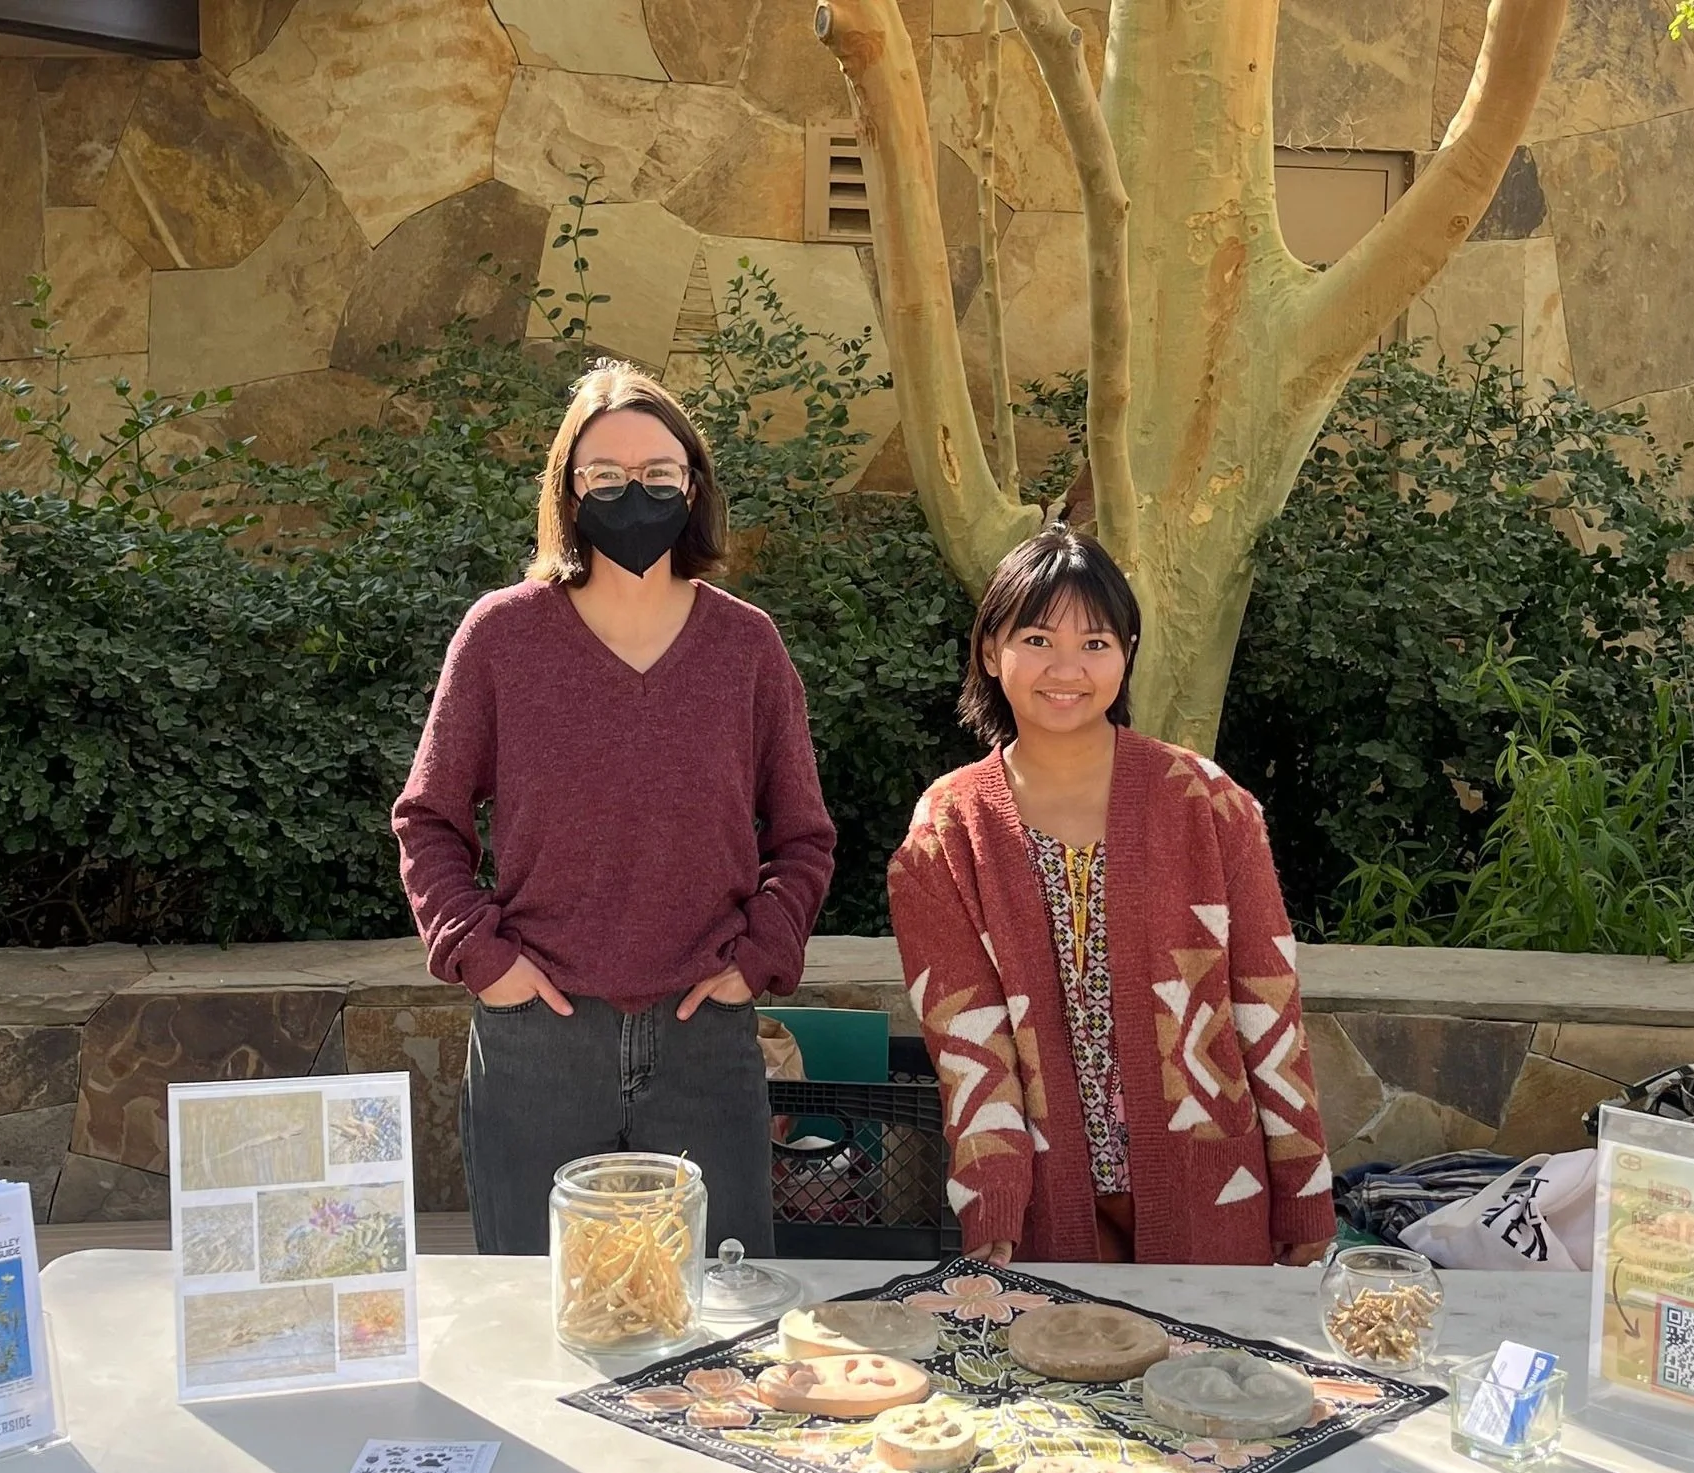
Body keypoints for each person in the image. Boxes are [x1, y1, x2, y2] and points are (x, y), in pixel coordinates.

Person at [394, 361, 836, 1259]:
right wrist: (484, 958)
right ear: (568, 490)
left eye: (659, 473)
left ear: (693, 487)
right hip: (539, 1046)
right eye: (605, 474)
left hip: (703, 1042)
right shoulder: (501, 637)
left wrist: (758, 957)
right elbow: (428, 820)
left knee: (722, 1309)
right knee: (534, 1309)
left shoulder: (746, 647)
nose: (635, 493)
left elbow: (803, 838)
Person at [888, 524, 1338, 1272]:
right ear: (991, 651)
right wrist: (991, 1197)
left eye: (1095, 643)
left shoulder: (1209, 804)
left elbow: (1268, 1010)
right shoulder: (947, 830)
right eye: (1037, 639)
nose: (1066, 668)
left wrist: (1304, 1192)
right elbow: (968, 1041)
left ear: (1127, 653)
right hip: (1044, 1199)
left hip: (1212, 1188)